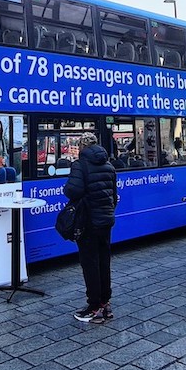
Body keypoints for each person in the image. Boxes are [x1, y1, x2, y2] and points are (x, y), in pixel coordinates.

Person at [65, 132, 119, 324]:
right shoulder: (109, 165)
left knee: (90, 264)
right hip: (106, 221)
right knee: (104, 261)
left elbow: (72, 190)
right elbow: (114, 195)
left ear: (81, 146)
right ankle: (105, 303)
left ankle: (93, 306)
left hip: (88, 222)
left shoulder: (80, 165)